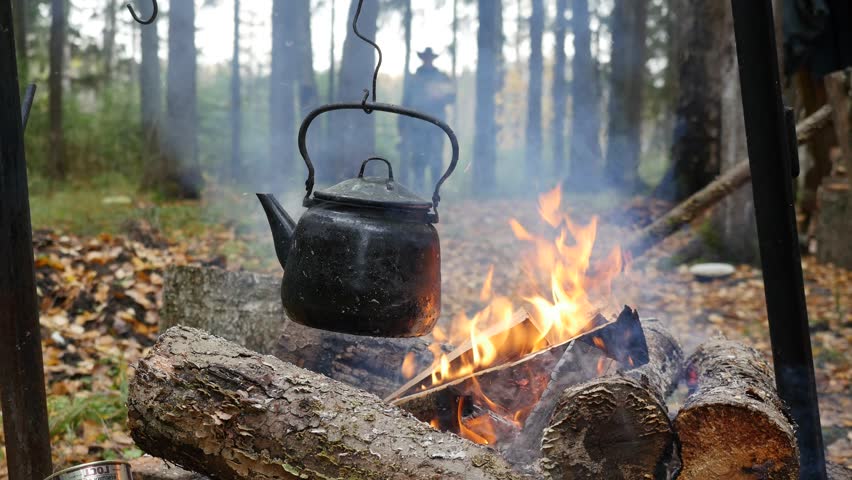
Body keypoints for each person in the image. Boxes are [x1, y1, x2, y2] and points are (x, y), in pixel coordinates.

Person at [399, 48, 455, 193]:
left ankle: (436, 190)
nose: (427, 60)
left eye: (430, 58)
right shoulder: (414, 78)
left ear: (433, 59)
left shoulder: (441, 77)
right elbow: (405, 103)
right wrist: (402, 126)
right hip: (417, 126)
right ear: (422, 59)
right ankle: (419, 191)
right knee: (418, 159)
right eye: (425, 58)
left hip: (437, 125)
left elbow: (452, 97)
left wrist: (440, 96)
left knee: (436, 159)